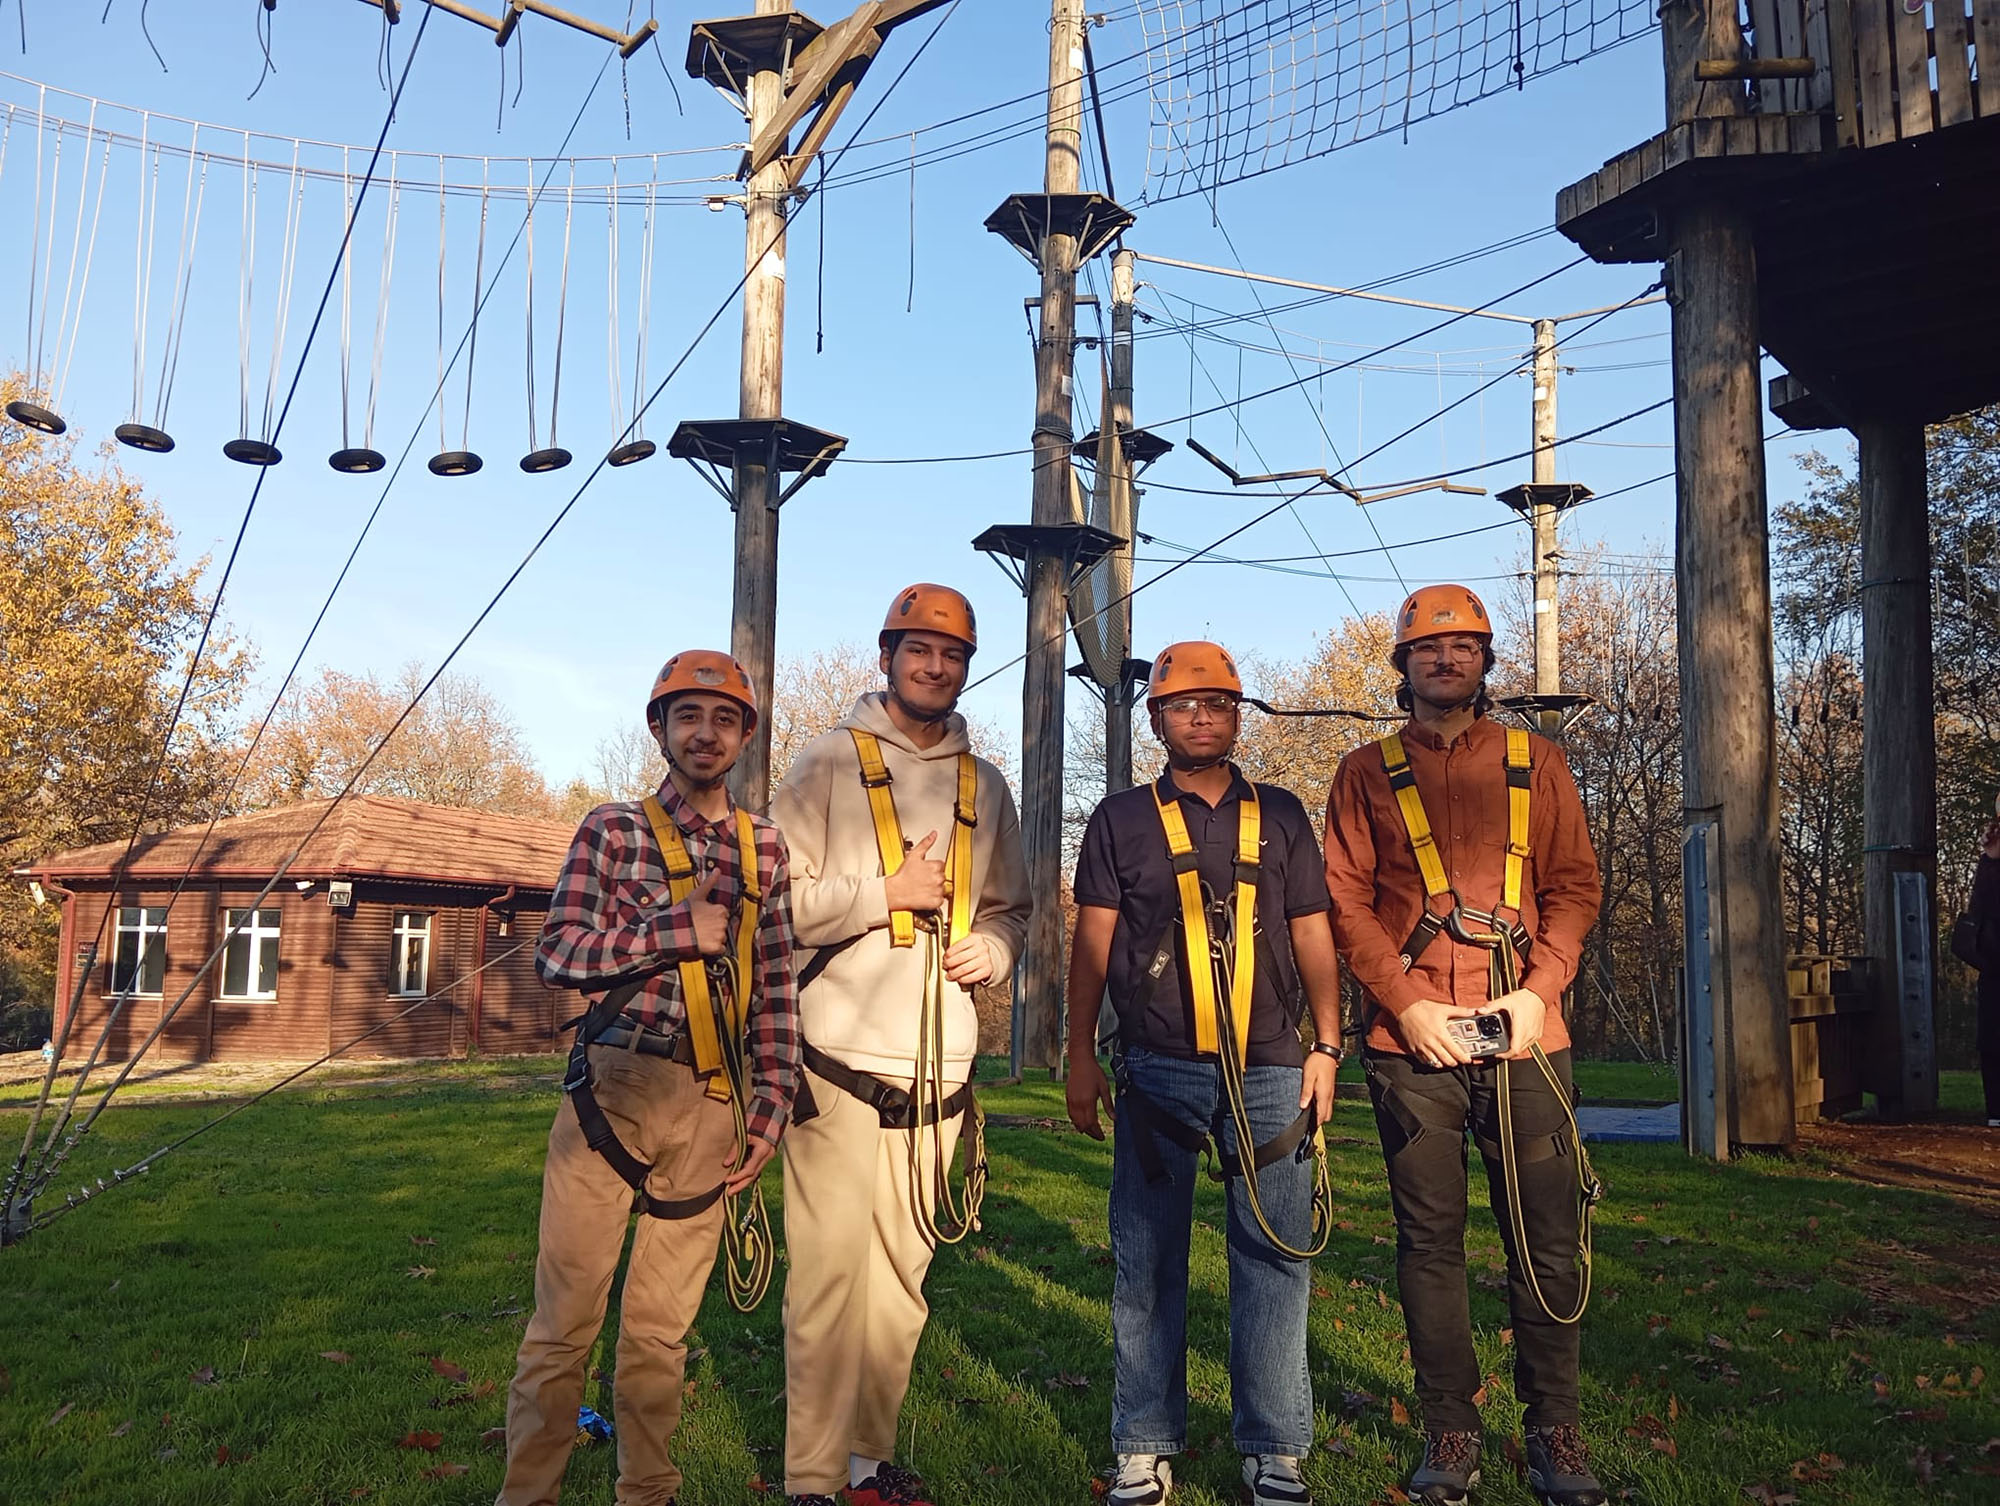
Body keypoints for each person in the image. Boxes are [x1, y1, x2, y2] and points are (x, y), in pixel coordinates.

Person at [1321, 585, 1605, 1506]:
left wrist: (1540, 988)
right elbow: (1344, 903)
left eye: (1465, 647)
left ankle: (1555, 1430)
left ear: (1486, 662)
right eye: (1429, 648)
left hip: (1526, 1032)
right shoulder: (1365, 772)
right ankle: (1450, 1428)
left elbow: (1574, 887)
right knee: (1430, 1241)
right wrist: (1403, 1004)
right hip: (1413, 1048)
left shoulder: (1537, 762)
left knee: (1547, 1239)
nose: (1446, 659)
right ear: (1402, 666)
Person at [498, 650, 800, 1506]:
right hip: (613, 1090)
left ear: (744, 735)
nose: (706, 734)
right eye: (688, 717)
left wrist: (771, 1102)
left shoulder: (764, 848)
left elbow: (774, 984)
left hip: (712, 1098)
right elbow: (557, 952)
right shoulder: (611, 830)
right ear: (659, 727)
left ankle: (649, 1495)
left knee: (660, 1335)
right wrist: (672, 929)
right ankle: (528, 1495)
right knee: (564, 1327)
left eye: (725, 719)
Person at [769, 583, 1032, 1506]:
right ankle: (810, 1479)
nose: (935, 667)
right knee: (830, 1282)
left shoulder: (984, 785)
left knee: (902, 1284)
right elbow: (778, 910)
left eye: (951, 655)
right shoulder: (823, 769)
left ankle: (866, 1464)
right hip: (837, 1061)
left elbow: (1012, 908)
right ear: (886, 657)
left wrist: (994, 948)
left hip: (940, 1070)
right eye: (918, 651)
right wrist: (884, 896)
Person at [1065, 641, 1344, 1506]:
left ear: (1236, 715)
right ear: (1156, 719)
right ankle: (1144, 1443)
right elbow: (1093, 941)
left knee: (1272, 1257)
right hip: (1156, 1067)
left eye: (1217, 704)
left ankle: (1274, 1448)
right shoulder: (1120, 820)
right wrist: (1078, 1051)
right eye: (1183, 706)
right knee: (1147, 1260)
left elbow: (1310, 932)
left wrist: (1328, 1046)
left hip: (1270, 1067)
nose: (1200, 717)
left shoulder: (1283, 814)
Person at [1969, 806, 2000, 1128]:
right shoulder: (1990, 861)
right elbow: (1981, 907)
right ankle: (1996, 1109)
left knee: (1992, 1035)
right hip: (1994, 960)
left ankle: (1996, 1109)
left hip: (1992, 959)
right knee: (1992, 1036)